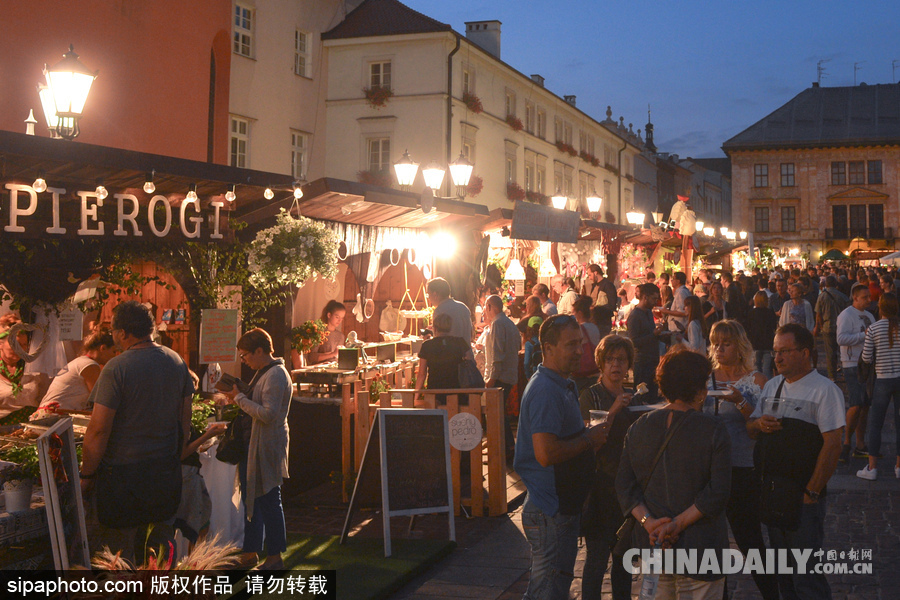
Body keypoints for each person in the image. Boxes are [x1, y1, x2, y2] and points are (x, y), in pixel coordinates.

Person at [81, 301, 194, 563]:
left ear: (122, 333)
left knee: (119, 561)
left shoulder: (117, 367)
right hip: (164, 474)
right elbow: (184, 421)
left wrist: (86, 475)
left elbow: (98, 430)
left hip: (123, 479)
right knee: (160, 559)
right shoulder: (176, 361)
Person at [616, 348, 731, 599]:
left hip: (653, 544)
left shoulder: (638, 427)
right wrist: (677, 524)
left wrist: (650, 523)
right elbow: (718, 492)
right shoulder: (713, 429)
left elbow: (625, 487)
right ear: (700, 390)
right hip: (701, 549)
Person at [515, 315, 609, 600]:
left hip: (558, 507)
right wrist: (588, 440)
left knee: (552, 586)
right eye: (571, 345)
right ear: (548, 348)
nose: (581, 351)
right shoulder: (545, 389)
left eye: (580, 344)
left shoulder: (559, 384)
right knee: (547, 590)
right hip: (550, 509)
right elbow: (545, 454)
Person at [748, 324, 844, 599]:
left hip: (803, 496)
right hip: (773, 492)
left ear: (805, 353)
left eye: (784, 352)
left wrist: (812, 492)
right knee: (783, 573)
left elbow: (833, 444)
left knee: (807, 574)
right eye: (776, 352)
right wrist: (759, 425)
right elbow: (750, 428)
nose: (776, 358)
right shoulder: (772, 386)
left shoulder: (825, 391)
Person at [704, 321, 779, 600]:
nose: (719, 349)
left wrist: (739, 401)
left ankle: (772, 593)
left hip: (743, 468)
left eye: (725, 343)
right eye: (715, 343)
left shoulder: (757, 380)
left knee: (750, 541)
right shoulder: (707, 378)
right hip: (710, 471)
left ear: (739, 346)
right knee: (713, 542)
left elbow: (761, 425)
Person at [220, 327, 292, 570]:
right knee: (253, 499)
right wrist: (240, 391)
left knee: (269, 500)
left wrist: (239, 398)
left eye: (245, 355)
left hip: (266, 445)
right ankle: (251, 552)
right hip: (254, 444)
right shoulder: (265, 371)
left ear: (260, 350)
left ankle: (275, 557)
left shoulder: (275, 374)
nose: (244, 360)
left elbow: (269, 414)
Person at [578, 335, 637, 600]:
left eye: (621, 360)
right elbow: (592, 445)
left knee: (624, 560)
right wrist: (612, 411)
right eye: (610, 359)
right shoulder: (591, 396)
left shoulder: (634, 398)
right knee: (597, 559)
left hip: (628, 490)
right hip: (601, 487)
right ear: (601, 363)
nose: (616, 365)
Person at [857, 292, 900, 480]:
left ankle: (872, 467)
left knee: (875, 424)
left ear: (880, 307)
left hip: (882, 378)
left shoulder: (873, 329)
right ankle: (899, 466)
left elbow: (866, 358)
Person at [32, 329, 117, 418]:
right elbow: (99, 399)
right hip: (53, 417)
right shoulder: (90, 365)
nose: (114, 356)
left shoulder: (80, 361)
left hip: (48, 415)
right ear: (102, 348)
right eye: (113, 351)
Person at [836, 284, 874, 461]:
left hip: (868, 364)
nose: (869, 299)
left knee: (865, 404)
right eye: (865, 297)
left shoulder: (870, 316)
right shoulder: (846, 315)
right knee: (856, 403)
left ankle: (860, 444)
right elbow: (841, 338)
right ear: (855, 298)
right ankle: (846, 442)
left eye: (869, 296)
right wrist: (863, 336)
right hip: (851, 363)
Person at [483, 295, 522, 461]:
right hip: (508, 375)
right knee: (500, 413)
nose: (484, 311)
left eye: (485, 307)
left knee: (496, 413)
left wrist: (491, 379)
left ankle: (505, 449)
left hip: (500, 376)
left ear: (491, 307)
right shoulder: (509, 323)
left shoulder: (498, 324)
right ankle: (505, 447)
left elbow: (497, 355)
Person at [0, 314, 50, 419]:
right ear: (1, 344)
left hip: (30, 426)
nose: (20, 349)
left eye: (24, 345)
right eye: (15, 343)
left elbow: (44, 398)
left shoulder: (33, 369)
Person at [415, 312, 470, 395]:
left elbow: (422, 374)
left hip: (434, 391)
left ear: (435, 328)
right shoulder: (460, 342)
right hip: (456, 390)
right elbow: (470, 362)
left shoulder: (427, 345)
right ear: (450, 328)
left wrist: (416, 395)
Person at [627, 283, 664, 400]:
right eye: (653, 298)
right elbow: (634, 341)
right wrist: (653, 334)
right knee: (641, 396)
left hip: (652, 359)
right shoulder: (635, 316)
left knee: (652, 395)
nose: (655, 302)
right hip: (642, 362)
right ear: (645, 297)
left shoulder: (648, 312)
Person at [814, 276, 849, 380]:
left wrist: (819, 326)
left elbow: (818, 314)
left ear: (826, 285)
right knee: (844, 351)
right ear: (836, 284)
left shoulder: (822, 296)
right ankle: (845, 372)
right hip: (842, 327)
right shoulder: (842, 296)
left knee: (830, 354)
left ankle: (832, 376)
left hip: (827, 327)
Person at [428, 277, 473, 344]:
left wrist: (428, 339)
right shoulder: (463, 307)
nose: (428, 298)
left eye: (428, 294)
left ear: (435, 294)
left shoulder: (439, 311)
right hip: (466, 351)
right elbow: (470, 333)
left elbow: (438, 340)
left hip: (450, 353)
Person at [302, 300, 346, 366]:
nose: (339, 320)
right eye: (337, 317)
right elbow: (311, 357)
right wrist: (333, 354)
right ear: (329, 315)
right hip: (320, 371)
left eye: (342, 318)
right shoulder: (319, 333)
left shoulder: (341, 336)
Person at [572, 295, 601, 393]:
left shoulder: (579, 329)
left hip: (582, 372)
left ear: (579, 313)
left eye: (574, 312)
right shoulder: (594, 327)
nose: (573, 315)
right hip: (594, 370)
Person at [747, 291, 778, 380]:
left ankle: (758, 384)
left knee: (756, 367)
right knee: (767, 369)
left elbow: (748, 327)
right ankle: (767, 385)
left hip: (755, 342)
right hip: (768, 343)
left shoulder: (752, 313)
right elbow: (773, 327)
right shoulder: (770, 312)